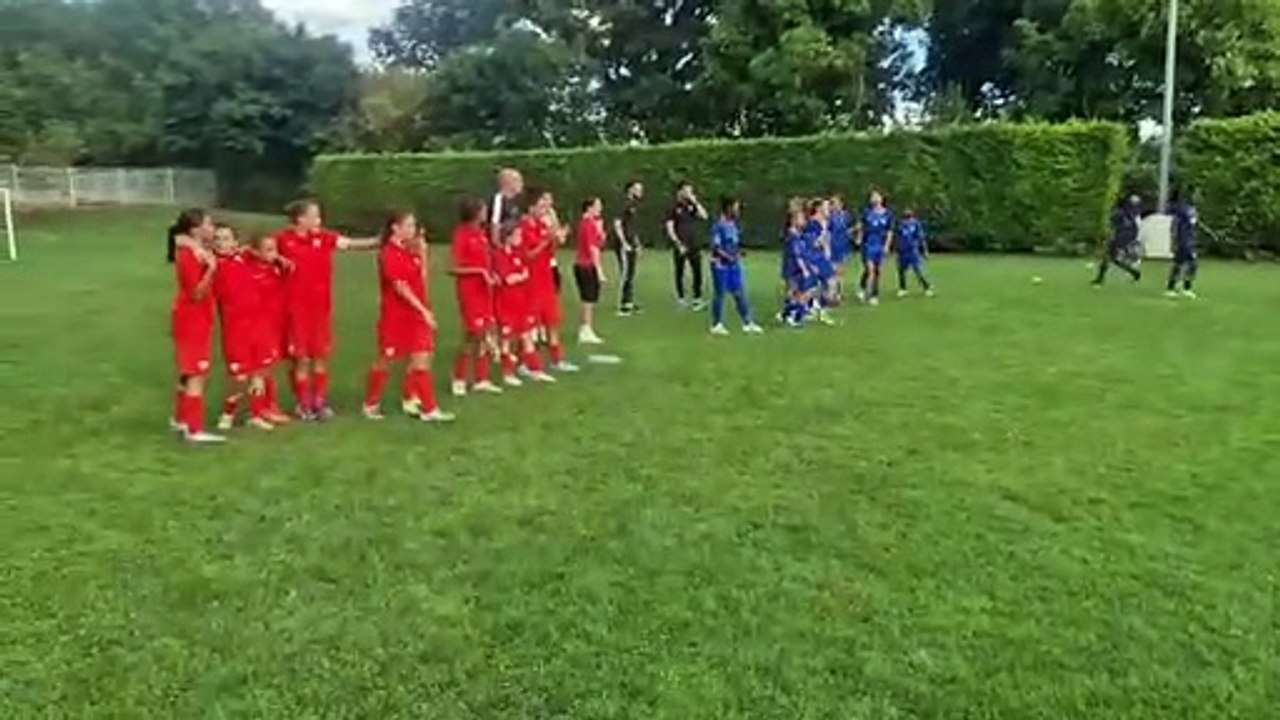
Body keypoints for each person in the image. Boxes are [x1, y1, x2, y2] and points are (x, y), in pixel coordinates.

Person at [275, 200, 379, 421]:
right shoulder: (283, 240)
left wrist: (379, 240)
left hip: (320, 309)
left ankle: (319, 401)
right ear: (301, 219)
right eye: (314, 216)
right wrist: (277, 258)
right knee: (301, 358)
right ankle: (303, 404)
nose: (319, 220)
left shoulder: (324, 237)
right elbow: (252, 251)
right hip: (295, 310)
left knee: (320, 356)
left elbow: (351, 244)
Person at [361, 210, 455, 423]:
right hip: (396, 316)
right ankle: (370, 402)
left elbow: (420, 280)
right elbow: (400, 287)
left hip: (417, 313)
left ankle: (428, 408)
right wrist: (423, 310)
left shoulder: (409, 251)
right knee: (385, 360)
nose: (413, 230)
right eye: (409, 226)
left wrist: (422, 254)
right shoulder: (388, 253)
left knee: (422, 358)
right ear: (396, 227)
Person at [210, 224, 276, 432]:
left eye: (226, 238)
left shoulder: (242, 258)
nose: (222, 243)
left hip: (258, 323)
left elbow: (257, 250)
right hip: (235, 328)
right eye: (217, 239)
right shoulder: (213, 263)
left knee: (260, 371)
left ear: (235, 242)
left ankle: (255, 415)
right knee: (239, 376)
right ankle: (228, 413)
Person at [168, 208, 225, 443]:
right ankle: (194, 429)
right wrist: (212, 269)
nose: (212, 228)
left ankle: (180, 419)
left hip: (194, 317)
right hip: (192, 317)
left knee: (188, 371)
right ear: (195, 229)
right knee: (196, 373)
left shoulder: (194, 249)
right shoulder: (189, 256)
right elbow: (196, 293)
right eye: (208, 224)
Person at [521, 188, 578, 373]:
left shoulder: (542, 224)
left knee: (552, 320)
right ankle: (526, 362)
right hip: (532, 281)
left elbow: (550, 250)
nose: (544, 210)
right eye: (541, 206)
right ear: (531, 207)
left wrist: (557, 237)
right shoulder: (525, 226)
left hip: (546, 278)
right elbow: (529, 254)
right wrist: (547, 239)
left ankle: (557, 359)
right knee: (530, 324)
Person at [450, 197, 503, 397]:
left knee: (484, 331)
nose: (486, 213)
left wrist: (492, 274)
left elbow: (486, 261)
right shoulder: (461, 235)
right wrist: (479, 272)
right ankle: (459, 377)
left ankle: (482, 378)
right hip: (470, 291)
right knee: (472, 335)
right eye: (483, 210)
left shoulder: (481, 234)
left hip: (485, 290)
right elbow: (453, 267)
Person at [493, 221, 556, 385]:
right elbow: (508, 279)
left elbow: (522, 272)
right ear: (508, 237)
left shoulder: (517, 253)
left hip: (521, 302)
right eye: (517, 235)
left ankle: (535, 370)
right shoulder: (499, 255)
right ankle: (508, 374)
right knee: (506, 340)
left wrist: (520, 276)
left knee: (527, 335)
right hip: (505, 304)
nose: (520, 238)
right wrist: (521, 276)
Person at [243, 233, 293, 425]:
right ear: (256, 251)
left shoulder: (277, 268)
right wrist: (248, 250)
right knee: (260, 369)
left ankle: (269, 406)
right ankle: (258, 411)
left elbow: (291, 268)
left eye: (275, 249)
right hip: (257, 326)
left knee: (268, 367)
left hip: (275, 324)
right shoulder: (249, 269)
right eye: (269, 250)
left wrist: (278, 258)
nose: (274, 254)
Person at [709, 196, 764, 336]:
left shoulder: (732, 225)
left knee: (739, 292)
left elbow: (733, 244)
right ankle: (716, 324)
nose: (737, 210)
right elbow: (716, 247)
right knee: (720, 293)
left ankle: (747, 322)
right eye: (735, 207)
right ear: (728, 208)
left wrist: (738, 252)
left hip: (733, 264)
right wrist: (728, 257)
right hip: (720, 265)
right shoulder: (719, 225)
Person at [665, 181, 709, 309]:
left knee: (697, 271)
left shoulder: (691, 205)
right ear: (680, 191)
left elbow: (704, 216)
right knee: (680, 271)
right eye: (686, 190)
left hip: (694, 243)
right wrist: (677, 243)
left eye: (690, 191)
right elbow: (670, 227)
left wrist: (695, 201)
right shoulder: (672, 206)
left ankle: (697, 298)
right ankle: (681, 298)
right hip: (681, 243)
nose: (689, 193)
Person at [574, 197, 608, 344]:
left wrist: (601, 232)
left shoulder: (591, 224)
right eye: (597, 205)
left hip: (585, 264)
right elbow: (592, 248)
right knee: (588, 299)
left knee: (590, 298)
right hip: (586, 265)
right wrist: (599, 269)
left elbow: (599, 243)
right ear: (589, 208)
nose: (600, 208)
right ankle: (585, 329)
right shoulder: (588, 224)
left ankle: (587, 328)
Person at [856, 189, 894, 306]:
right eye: (872, 196)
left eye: (876, 196)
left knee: (876, 270)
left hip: (880, 244)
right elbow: (862, 226)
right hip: (868, 244)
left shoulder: (888, 214)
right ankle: (869, 292)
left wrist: (887, 245)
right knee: (870, 269)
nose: (874, 198)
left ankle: (870, 292)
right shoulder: (867, 212)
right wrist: (859, 237)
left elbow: (889, 231)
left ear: (882, 198)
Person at [1093, 195, 1143, 286]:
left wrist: (1109, 237)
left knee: (1109, 256)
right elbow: (1137, 227)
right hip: (1126, 237)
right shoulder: (1135, 213)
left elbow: (1113, 227)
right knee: (1113, 258)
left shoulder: (1120, 212)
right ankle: (1134, 273)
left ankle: (1100, 279)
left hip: (1119, 237)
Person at [613, 180, 644, 315]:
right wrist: (624, 242)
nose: (640, 191)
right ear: (630, 190)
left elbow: (633, 227)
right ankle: (622, 305)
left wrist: (637, 244)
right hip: (624, 245)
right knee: (625, 272)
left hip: (631, 244)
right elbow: (617, 224)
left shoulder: (634, 205)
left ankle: (628, 302)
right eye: (638, 189)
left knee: (631, 273)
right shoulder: (623, 204)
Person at [803, 198, 836, 324]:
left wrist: (828, 252)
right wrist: (821, 239)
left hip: (822, 258)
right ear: (819, 209)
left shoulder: (827, 223)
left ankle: (822, 311)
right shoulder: (811, 223)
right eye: (826, 207)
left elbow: (826, 242)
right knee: (812, 288)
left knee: (830, 284)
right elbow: (811, 243)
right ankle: (796, 308)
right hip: (813, 257)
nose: (829, 210)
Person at [780, 210, 815, 328]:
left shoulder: (799, 235)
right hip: (792, 269)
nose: (804, 221)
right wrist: (804, 269)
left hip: (796, 268)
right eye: (801, 219)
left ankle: (788, 314)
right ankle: (794, 316)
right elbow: (796, 255)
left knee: (799, 293)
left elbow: (802, 253)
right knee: (798, 293)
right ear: (793, 221)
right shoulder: (792, 236)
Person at [1165, 189, 1200, 299]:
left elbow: (1193, 226)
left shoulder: (1192, 210)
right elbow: (1174, 223)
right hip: (1182, 241)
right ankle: (1171, 288)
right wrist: (1174, 241)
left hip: (1190, 241)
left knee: (1193, 265)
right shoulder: (1181, 209)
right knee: (1179, 265)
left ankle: (1186, 288)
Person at [894, 209, 935, 297]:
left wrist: (925, 250)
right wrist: (897, 250)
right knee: (901, 270)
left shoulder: (916, 224)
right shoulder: (900, 225)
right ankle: (903, 288)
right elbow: (897, 238)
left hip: (913, 250)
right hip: (902, 251)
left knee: (918, 270)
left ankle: (927, 287)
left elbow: (921, 238)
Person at [828, 194, 854, 300]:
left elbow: (848, 229)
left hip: (843, 246)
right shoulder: (829, 216)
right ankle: (832, 293)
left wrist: (852, 233)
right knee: (833, 270)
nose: (835, 206)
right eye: (833, 203)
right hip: (832, 246)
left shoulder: (846, 215)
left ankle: (839, 292)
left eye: (836, 203)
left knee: (841, 270)